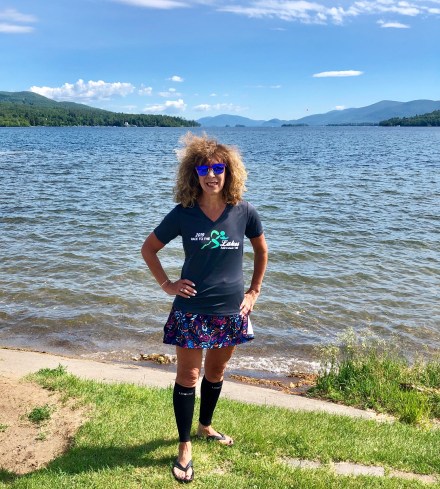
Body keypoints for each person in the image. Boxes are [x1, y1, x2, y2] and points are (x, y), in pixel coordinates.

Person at [141, 133, 268, 483]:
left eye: (218, 168)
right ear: (193, 173)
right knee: (188, 376)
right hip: (191, 309)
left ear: (228, 171)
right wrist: (167, 285)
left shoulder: (244, 211)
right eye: (203, 169)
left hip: (231, 309)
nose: (211, 175)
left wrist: (254, 292)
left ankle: (205, 427)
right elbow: (148, 249)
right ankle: (184, 446)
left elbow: (261, 251)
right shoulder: (184, 213)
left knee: (216, 372)